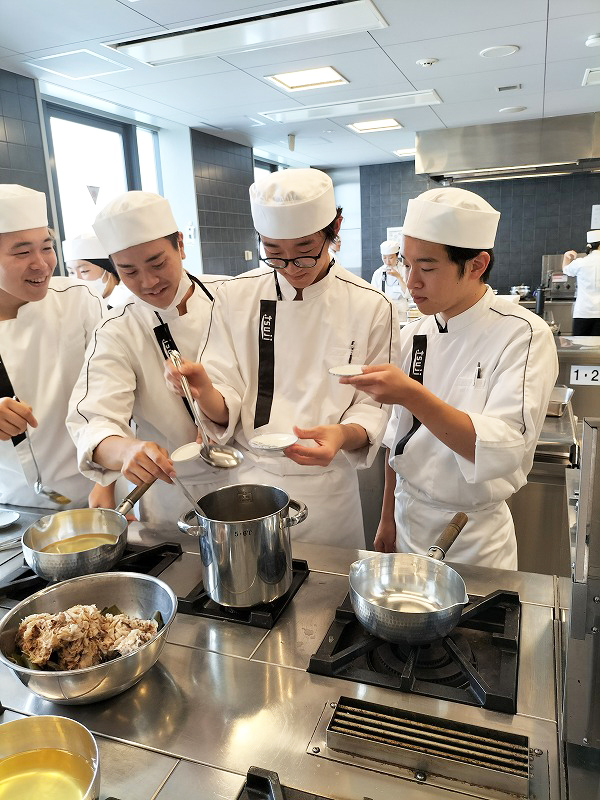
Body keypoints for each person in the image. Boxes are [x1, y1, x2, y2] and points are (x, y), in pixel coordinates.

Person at [164, 168, 399, 548]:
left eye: (305, 253)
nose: (291, 269)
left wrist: (341, 434)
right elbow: (226, 397)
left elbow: (372, 406)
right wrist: (204, 390)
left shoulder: (371, 305)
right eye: (274, 254)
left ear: (334, 229)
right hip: (251, 485)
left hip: (329, 490)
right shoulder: (236, 296)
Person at [341, 187, 558, 569]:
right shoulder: (413, 334)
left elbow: (502, 449)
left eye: (426, 268)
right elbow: (396, 440)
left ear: (475, 265)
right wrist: (387, 516)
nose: (411, 282)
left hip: (472, 537)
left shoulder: (522, 334)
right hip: (407, 520)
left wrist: (411, 394)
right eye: (406, 264)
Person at [67, 191, 230, 524]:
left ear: (180, 245)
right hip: (175, 493)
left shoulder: (233, 297)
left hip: (252, 475)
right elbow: (94, 421)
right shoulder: (117, 329)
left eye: (157, 264)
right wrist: (126, 449)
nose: (148, 282)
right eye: (129, 272)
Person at [0, 185, 103, 508]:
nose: (42, 264)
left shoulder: (78, 300)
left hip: (94, 490)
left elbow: (114, 389)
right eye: (22, 253)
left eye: (46, 247)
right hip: (11, 503)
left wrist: (109, 479)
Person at [63, 231, 132, 308]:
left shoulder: (128, 302)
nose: (77, 279)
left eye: (84, 271)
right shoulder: (78, 306)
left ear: (107, 269)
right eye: (71, 272)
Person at [562, 230, 600, 336]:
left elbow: (565, 270)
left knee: (579, 344)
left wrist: (566, 256)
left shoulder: (581, 262)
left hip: (582, 313)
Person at [371, 239, 411, 321]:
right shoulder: (378, 273)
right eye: (384, 258)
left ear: (397, 255)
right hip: (384, 310)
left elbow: (408, 294)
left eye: (390, 258)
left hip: (401, 311)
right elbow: (373, 294)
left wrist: (398, 277)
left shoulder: (404, 270)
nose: (387, 261)